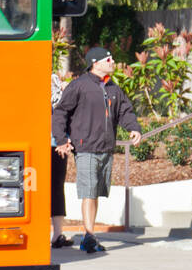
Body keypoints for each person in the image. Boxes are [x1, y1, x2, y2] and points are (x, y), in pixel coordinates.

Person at [52, 45, 142, 253]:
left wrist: (134, 129)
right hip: (85, 147)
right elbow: (60, 113)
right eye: (108, 60)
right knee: (88, 192)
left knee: (95, 193)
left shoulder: (113, 88)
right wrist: (62, 140)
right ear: (95, 63)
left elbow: (125, 111)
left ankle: (89, 235)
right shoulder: (79, 86)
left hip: (106, 148)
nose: (112, 63)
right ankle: (89, 236)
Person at [50, 70, 70, 248]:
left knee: (57, 187)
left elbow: (63, 112)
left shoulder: (55, 81)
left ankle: (57, 234)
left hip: (56, 143)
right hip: (33, 143)